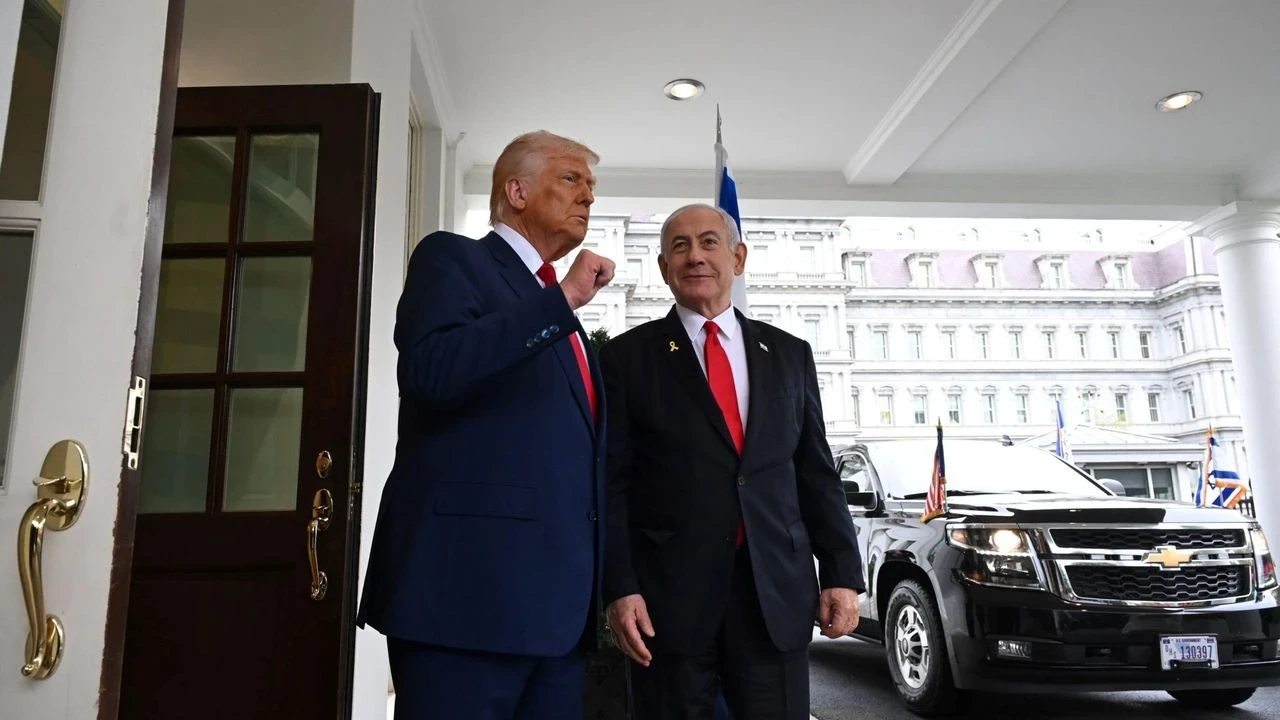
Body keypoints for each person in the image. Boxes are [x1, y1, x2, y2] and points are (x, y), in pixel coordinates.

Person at [356, 130, 615, 719]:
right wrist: (561, 302)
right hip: (465, 602)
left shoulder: (550, 299)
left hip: (557, 619)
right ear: (517, 192)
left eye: (591, 185)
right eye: (571, 179)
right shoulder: (454, 259)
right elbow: (432, 372)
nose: (588, 196)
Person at [600, 203, 864, 720]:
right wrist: (619, 587)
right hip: (668, 604)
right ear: (663, 268)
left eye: (708, 242)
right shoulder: (627, 358)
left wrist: (841, 573)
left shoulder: (789, 354)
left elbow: (815, 474)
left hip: (774, 596)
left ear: (737, 258)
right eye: (680, 247)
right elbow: (612, 484)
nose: (695, 256)